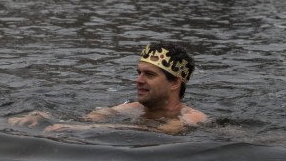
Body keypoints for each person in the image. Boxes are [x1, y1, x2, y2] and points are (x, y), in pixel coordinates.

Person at [11, 42, 206, 134]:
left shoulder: (191, 117)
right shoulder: (133, 108)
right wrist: (42, 116)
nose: (138, 80)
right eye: (138, 72)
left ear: (175, 83)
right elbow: (87, 118)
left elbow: (163, 131)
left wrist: (83, 129)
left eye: (150, 74)